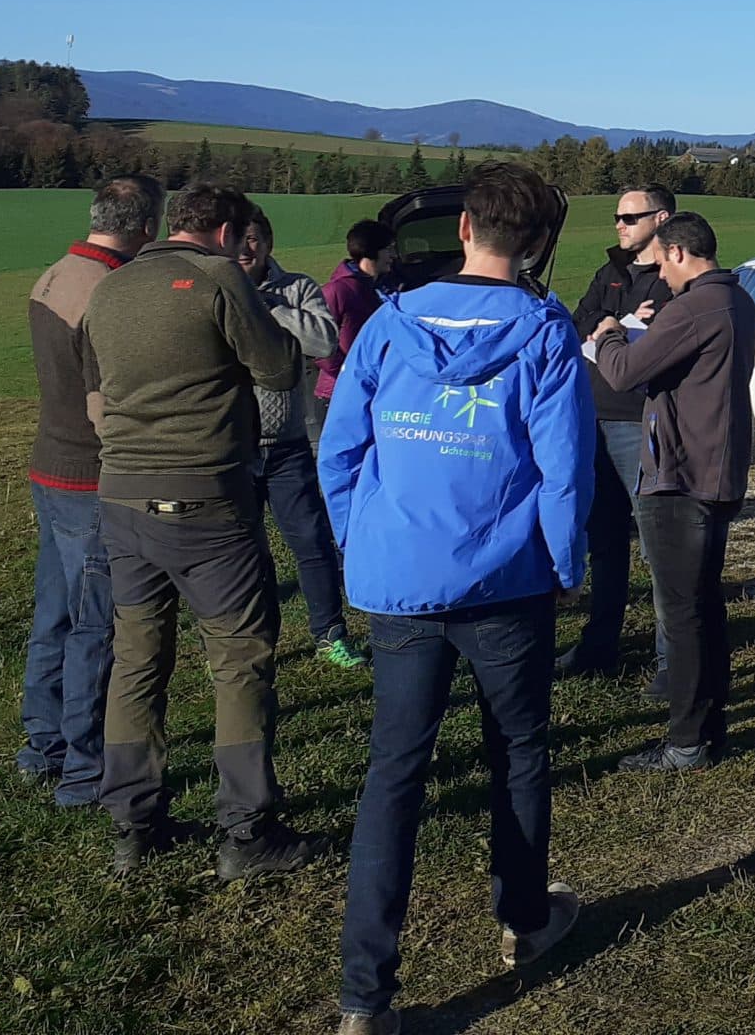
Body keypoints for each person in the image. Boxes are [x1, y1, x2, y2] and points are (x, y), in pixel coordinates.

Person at [321, 163, 595, 1035]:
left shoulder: (388, 325)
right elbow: (564, 470)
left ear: (466, 224)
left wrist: (358, 543)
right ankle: (524, 919)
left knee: (394, 774)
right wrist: (567, 563)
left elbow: (340, 453)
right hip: (507, 581)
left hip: (399, 582)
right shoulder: (548, 333)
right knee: (517, 752)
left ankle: (366, 997)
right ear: (538, 242)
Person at [82, 181, 320, 880]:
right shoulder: (219, 279)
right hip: (207, 494)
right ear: (224, 231)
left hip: (121, 493)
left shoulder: (112, 287)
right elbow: (277, 369)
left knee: (137, 660)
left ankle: (133, 823)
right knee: (240, 659)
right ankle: (246, 832)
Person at [590, 211, 755, 770]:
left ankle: (685, 742)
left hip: (679, 477)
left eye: (662, 261)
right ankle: (710, 728)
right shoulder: (739, 301)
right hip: (719, 470)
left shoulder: (694, 308)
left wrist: (610, 333)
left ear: (680, 252)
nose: (659, 274)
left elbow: (624, 371)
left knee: (683, 614)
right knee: (706, 605)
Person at [20, 175, 162, 807]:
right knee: (96, 626)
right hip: (89, 476)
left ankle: (41, 744)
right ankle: (84, 770)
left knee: (52, 616)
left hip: (48, 466)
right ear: (145, 228)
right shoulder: (109, 292)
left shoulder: (53, 274)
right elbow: (105, 403)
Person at [557, 185, 675, 683]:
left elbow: (662, 343)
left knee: (658, 545)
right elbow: (579, 320)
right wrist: (619, 325)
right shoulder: (611, 271)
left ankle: (672, 662)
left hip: (640, 420)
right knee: (603, 542)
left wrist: (611, 329)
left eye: (630, 217)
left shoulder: (674, 278)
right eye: (616, 217)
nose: (620, 225)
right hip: (594, 417)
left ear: (660, 218)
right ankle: (599, 646)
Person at [237, 209, 360, 670]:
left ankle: (330, 634)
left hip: (287, 442)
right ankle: (251, 641)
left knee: (311, 541)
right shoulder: (217, 290)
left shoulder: (298, 288)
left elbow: (324, 342)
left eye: (255, 240)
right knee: (244, 552)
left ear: (268, 243)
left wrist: (267, 305)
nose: (247, 250)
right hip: (234, 445)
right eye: (240, 240)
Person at [317, 220, 397, 408]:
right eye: (388, 249)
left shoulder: (387, 289)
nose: (393, 255)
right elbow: (319, 345)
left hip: (376, 390)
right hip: (337, 395)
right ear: (371, 251)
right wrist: (349, 374)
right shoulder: (337, 290)